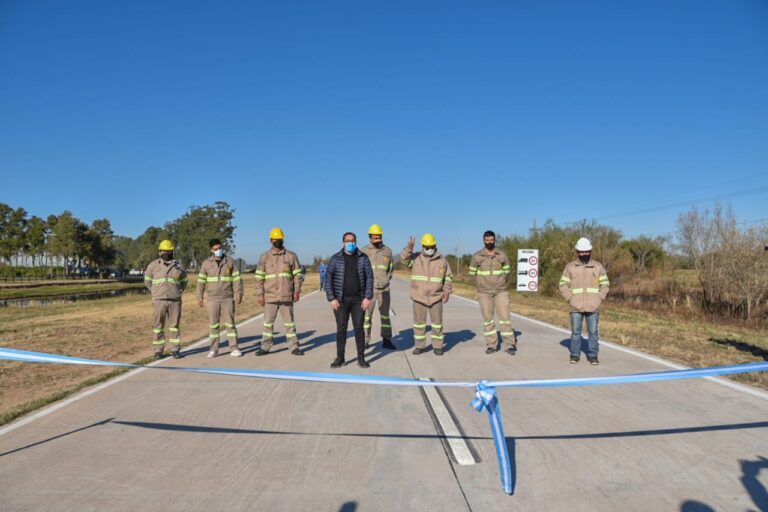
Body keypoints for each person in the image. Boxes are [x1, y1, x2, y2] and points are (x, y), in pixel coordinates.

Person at [325, 232, 374, 368]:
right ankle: (340, 358)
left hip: (359, 301)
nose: (350, 243)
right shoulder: (336, 258)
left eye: (352, 240)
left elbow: (369, 277)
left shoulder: (363, 258)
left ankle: (361, 358)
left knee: (359, 329)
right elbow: (328, 278)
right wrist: (332, 298)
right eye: (347, 241)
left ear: (356, 242)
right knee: (341, 329)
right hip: (341, 301)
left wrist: (367, 297)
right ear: (343, 242)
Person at [559, 237, 610, 365]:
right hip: (575, 306)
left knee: (593, 332)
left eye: (586, 251)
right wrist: (570, 298)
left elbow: (605, 284)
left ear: (590, 251)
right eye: (581, 252)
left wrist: (600, 298)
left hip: (593, 306)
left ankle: (593, 355)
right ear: (577, 252)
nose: (584, 254)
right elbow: (563, 284)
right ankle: (575, 355)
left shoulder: (597, 266)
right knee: (576, 332)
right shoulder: (570, 267)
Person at [254, 228, 304, 356]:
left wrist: (296, 291)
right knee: (267, 324)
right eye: (276, 240)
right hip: (270, 297)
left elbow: (298, 276)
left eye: (280, 240)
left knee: (289, 324)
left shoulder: (291, 256)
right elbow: (259, 277)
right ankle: (265, 347)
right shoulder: (264, 257)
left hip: (286, 296)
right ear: (271, 240)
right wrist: (260, 294)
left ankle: (294, 347)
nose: (278, 242)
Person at [401, 234, 453, 356]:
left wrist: (447, 292)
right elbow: (404, 260)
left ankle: (438, 346)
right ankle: (419, 346)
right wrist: (409, 248)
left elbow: (448, 277)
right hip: (419, 297)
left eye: (431, 246)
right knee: (419, 324)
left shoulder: (442, 260)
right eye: (426, 246)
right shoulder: (416, 258)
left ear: (435, 245)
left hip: (436, 297)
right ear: (422, 246)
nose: (428, 248)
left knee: (437, 324)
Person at [468, 231, 516, 355]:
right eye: (487, 240)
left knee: (505, 319)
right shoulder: (477, 256)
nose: (489, 242)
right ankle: (491, 345)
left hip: (500, 291)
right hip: (484, 292)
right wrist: (480, 284)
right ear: (483, 240)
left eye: (491, 240)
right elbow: (472, 273)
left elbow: (507, 270)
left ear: (495, 240)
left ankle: (509, 345)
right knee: (488, 320)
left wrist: (501, 281)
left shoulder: (502, 255)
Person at [197, 238, 244, 358]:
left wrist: (238, 293)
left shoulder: (230, 262)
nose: (218, 251)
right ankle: (214, 349)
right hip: (212, 299)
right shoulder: (206, 263)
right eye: (215, 249)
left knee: (230, 324)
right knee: (213, 325)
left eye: (220, 248)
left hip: (227, 297)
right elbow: (201, 281)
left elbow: (237, 279)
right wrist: (200, 296)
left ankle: (234, 348)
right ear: (211, 250)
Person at [144, 240, 187, 359]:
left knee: (174, 326)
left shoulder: (178, 265)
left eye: (169, 251)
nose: (166, 253)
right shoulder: (153, 265)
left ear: (172, 252)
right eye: (164, 251)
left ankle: (175, 350)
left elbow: (184, 282)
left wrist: (177, 292)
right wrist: (155, 292)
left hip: (175, 300)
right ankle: (158, 351)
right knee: (158, 326)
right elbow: (147, 281)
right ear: (159, 252)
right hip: (159, 300)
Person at [360, 224, 396, 350]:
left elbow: (391, 269)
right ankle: (365, 340)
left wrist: (385, 280)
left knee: (385, 316)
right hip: (368, 291)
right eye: (375, 237)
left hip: (384, 290)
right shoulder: (363, 251)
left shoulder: (388, 251)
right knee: (366, 317)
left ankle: (387, 340)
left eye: (379, 236)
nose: (377, 238)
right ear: (370, 237)